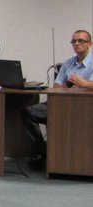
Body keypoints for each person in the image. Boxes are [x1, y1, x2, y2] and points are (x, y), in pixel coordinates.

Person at [22, 30, 93, 168]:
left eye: (81, 41)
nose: (76, 44)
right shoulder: (68, 64)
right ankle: (40, 152)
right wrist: (75, 86)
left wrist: (83, 83)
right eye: (74, 41)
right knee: (28, 112)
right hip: (59, 103)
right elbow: (56, 86)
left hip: (82, 107)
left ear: (90, 44)